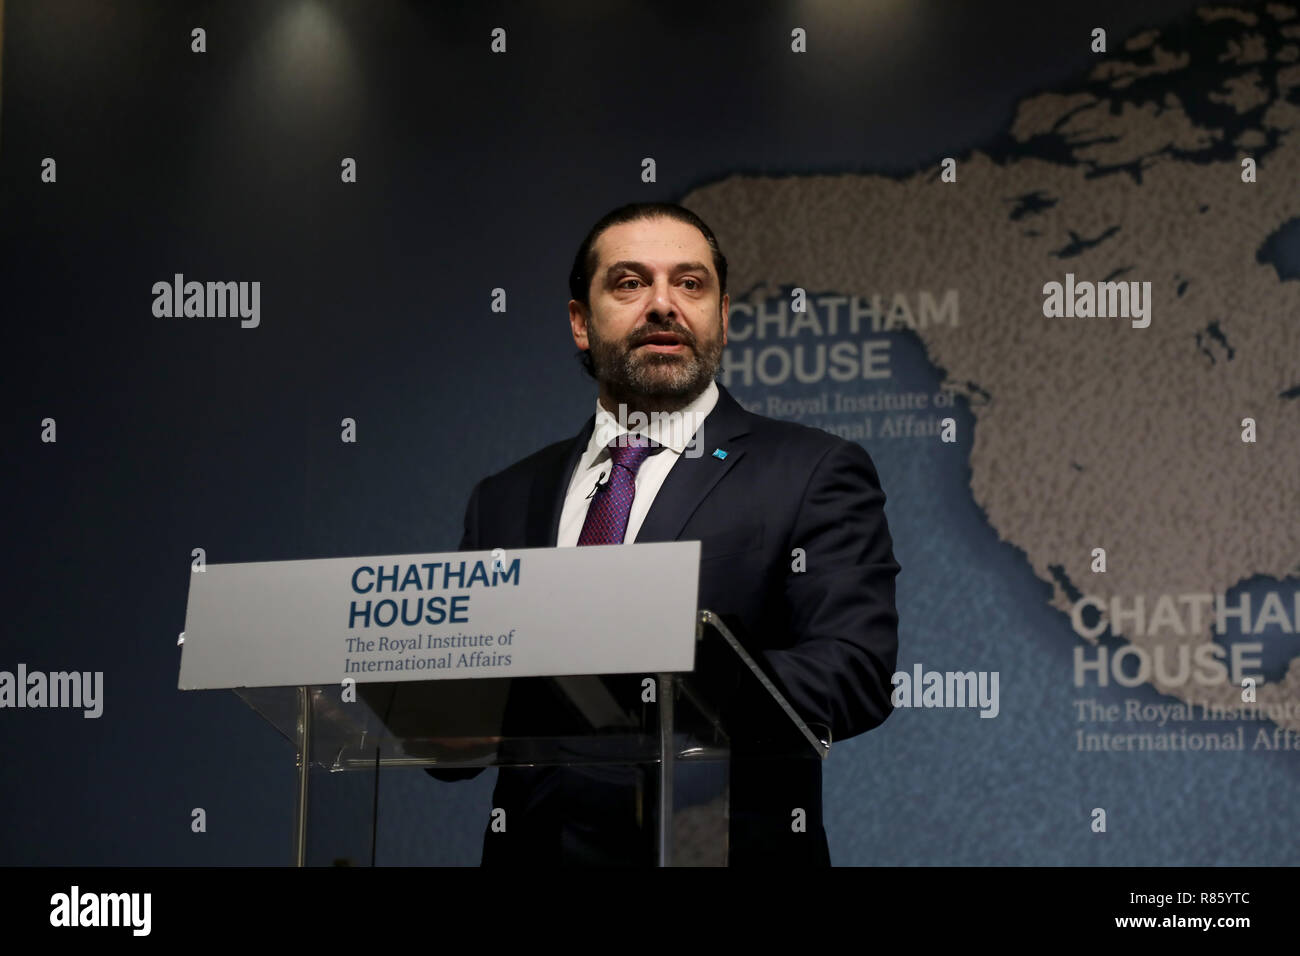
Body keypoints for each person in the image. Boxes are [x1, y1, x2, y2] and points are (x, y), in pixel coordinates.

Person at [432, 202, 900, 866]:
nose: (663, 304)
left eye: (690, 283)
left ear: (723, 317)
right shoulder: (504, 497)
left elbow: (854, 673)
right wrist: (440, 719)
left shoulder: (811, 470)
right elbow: (457, 738)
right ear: (580, 324)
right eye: (628, 283)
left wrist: (660, 684)